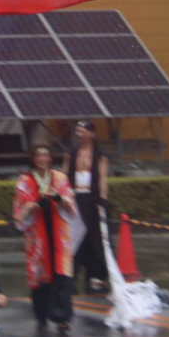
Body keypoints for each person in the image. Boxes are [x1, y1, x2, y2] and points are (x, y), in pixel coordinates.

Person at [13, 143, 82, 333]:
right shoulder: (24, 181)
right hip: (37, 236)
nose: (42, 159)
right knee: (40, 277)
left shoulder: (60, 178)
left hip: (59, 234)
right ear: (33, 158)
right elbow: (20, 211)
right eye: (38, 156)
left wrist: (58, 198)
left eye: (46, 155)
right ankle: (41, 317)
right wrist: (36, 205)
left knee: (63, 276)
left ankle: (63, 317)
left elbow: (71, 205)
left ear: (50, 158)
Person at [63, 119, 109, 292]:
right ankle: (70, 275)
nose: (79, 134)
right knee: (74, 238)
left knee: (96, 238)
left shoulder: (100, 156)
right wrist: (62, 197)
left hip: (93, 199)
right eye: (77, 132)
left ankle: (96, 275)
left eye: (82, 131)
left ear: (91, 134)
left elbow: (102, 178)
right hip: (75, 199)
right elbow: (64, 177)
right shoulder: (71, 154)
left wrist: (103, 201)